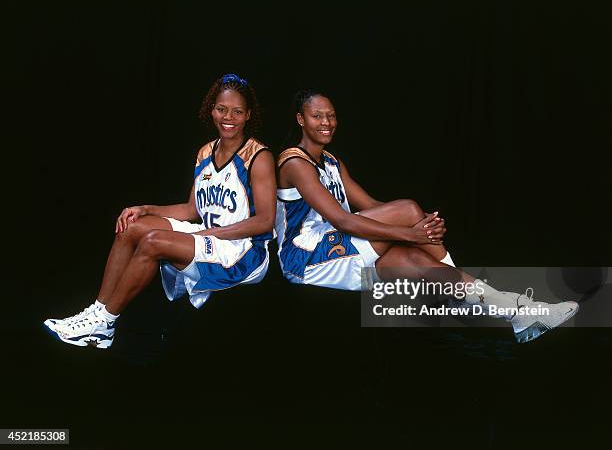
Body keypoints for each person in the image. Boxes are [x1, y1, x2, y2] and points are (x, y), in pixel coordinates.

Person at [275, 88, 578, 343]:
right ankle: (461, 298)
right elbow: (343, 220)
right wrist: (411, 230)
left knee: (416, 260)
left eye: (331, 115)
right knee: (407, 209)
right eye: (317, 116)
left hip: (340, 248)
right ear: (301, 120)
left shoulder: (330, 161)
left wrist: (420, 226)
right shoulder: (293, 162)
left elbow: (369, 204)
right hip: (305, 259)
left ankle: (521, 314)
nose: (326, 122)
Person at [44, 73, 276, 348]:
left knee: (153, 242)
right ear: (211, 109)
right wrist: (144, 209)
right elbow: (192, 209)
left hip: (242, 251)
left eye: (237, 111)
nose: (228, 117)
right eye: (222, 109)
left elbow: (265, 220)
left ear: (248, 115)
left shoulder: (258, 157)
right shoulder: (204, 153)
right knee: (131, 227)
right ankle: (97, 315)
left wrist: (214, 233)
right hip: (208, 234)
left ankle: (105, 321)